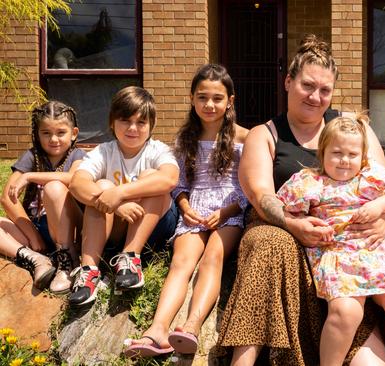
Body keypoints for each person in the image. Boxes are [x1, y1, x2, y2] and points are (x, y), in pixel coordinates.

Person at [217, 34, 385, 366]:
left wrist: (382, 220)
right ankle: (243, 358)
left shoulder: (353, 128)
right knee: (271, 243)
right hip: (280, 230)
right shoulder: (265, 134)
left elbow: (382, 185)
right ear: (288, 82)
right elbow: (260, 195)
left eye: (325, 90)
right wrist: (292, 224)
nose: (316, 97)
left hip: (343, 249)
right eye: (307, 86)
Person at [123, 64, 249, 357]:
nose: (210, 104)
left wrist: (229, 210)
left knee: (213, 257)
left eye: (217, 98)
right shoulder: (184, 139)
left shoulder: (245, 137)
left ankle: (190, 327)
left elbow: (249, 185)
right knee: (181, 262)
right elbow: (178, 183)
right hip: (193, 210)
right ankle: (157, 330)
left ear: (230, 100)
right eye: (202, 97)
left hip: (229, 212)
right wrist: (184, 206)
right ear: (192, 98)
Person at [276, 113, 385, 366]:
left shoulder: (370, 177)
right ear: (323, 153)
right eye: (337, 153)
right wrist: (298, 223)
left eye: (352, 155)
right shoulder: (310, 181)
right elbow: (280, 205)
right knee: (347, 311)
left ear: (363, 157)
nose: (344, 160)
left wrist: (379, 206)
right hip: (338, 258)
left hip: (376, 256)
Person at [68, 86, 180, 306]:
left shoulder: (158, 150)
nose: (132, 128)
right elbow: (77, 184)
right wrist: (114, 204)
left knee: (151, 177)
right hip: (116, 230)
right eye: (125, 120)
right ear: (112, 122)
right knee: (100, 184)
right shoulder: (103, 152)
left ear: (152, 125)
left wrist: (118, 194)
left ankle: (130, 258)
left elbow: (169, 179)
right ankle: (89, 271)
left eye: (141, 122)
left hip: (155, 231)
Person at [0, 101, 85, 293]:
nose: (53, 139)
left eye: (61, 132)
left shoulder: (78, 155)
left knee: (54, 188)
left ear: (74, 134)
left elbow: (72, 178)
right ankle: (37, 259)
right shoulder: (32, 156)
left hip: (69, 228)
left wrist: (29, 176)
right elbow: (7, 198)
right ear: (37, 135)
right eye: (46, 133)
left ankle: (67, 261)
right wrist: (32, 235)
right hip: (37, 231)